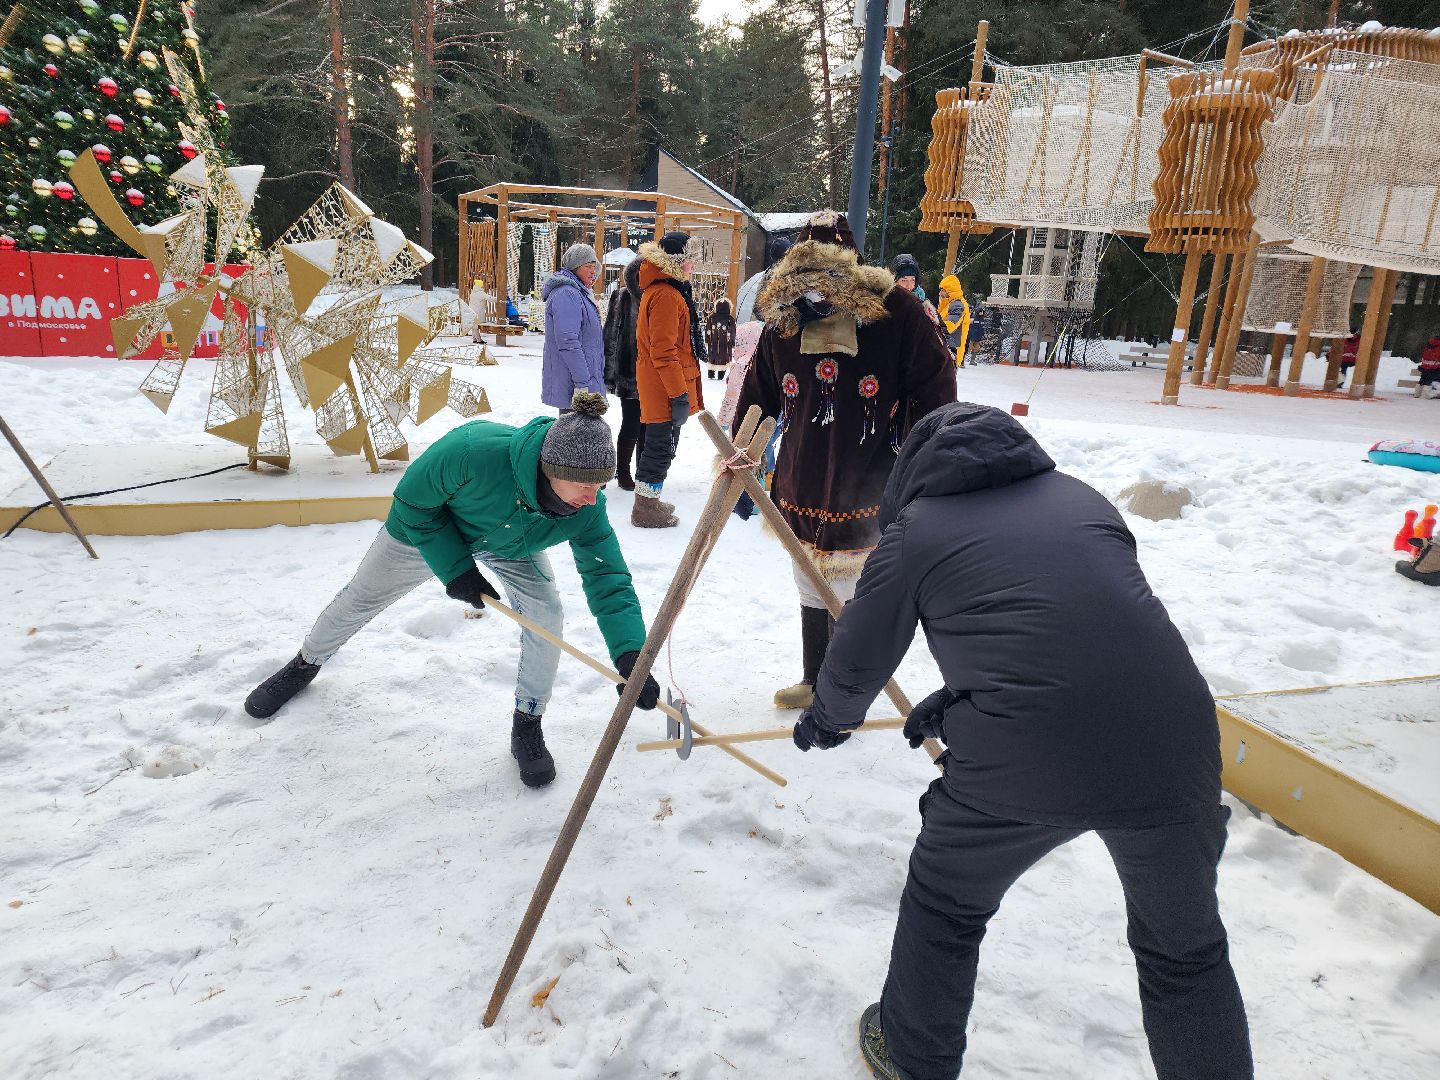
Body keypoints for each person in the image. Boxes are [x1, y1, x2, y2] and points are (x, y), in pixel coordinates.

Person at [792, 403, 1253, 1080]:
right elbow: (1076, 626)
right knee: (1185, 954)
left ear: (913, 470)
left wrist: (829, 718)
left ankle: (912, 1056)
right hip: (1175, 742)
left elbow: (861, 651)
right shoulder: (1083, 499)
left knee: (946, 904)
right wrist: (959, 700)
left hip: (1029, 759)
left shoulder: (918, 530)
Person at [242, 390, 662, 789]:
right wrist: (456, 569)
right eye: (586, 485)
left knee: (546, 615)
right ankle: (305, 663)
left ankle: (528, 721)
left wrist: (631, 657)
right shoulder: (472, 451)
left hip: (514, 543)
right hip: (426, 531)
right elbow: (412, 502)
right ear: (554, 470)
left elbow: (608, 579)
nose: (593, 497)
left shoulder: (587, 509)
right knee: (360, 598)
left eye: (601, 486)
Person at [732, 210, 956, 709]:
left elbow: (936, 385)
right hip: (803, 473)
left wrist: (924, 454)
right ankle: (815, 681)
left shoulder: (897, 313)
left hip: (871, 473)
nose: (816, 290)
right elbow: (759, 393)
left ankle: (845, 694)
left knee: (856, 588)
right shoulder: (785, 320)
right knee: (809, 576)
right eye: (804, 277)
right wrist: (742, 448)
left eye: (826, 276)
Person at [633, 231, 706, 529]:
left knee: (661, 446)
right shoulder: (665, 294)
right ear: (677, 262)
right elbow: (664, 352)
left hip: (663, 383)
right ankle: (645, 508)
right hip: (664, 386)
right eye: (690, 260)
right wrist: (678, 394)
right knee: (659, 448)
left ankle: (649, 501)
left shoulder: (668, 290)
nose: (693, 266)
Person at [541, 244, 606, 411]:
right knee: (575, 427)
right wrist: (583, 384)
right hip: (576, 385)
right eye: (588, 266)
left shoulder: (578, 293)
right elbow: (568, 341)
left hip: (583, 381)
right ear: (575, 267)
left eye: (594, 267)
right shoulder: (567, 293)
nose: (593, 271)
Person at [604, 257, 645, 491]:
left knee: (649, 425)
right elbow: (610, 333)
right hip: (629, 371)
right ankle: (623, 470)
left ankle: (643, 471)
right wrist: (609, 373)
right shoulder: (623, 296)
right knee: (631, 422)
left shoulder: (659, 295)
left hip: (654, 374)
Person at [889, 253, 940, 332]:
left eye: (912, 280)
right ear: (894, 281)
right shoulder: (885, 305)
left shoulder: (924, 306)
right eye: (904, 280)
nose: (909, 286)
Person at [937, 273, 971, 367]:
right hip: (947, 351)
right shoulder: (950, 303)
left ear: (950, 291)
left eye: (943, 290)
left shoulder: (958, 306)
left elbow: (948, 326)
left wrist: (930, 326)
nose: (940, 293)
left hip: (951, 352)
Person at [704, 296, 736, 380]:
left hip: (713, 342)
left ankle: (711, 373)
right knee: (724, 358)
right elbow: (732, 331)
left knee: (712, 356)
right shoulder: (730, 319)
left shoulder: (711, 318)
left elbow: (708, 329)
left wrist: (707, 339)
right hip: (725, 343)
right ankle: (721, 375)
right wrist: (732, 341)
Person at [1418, 334, 1440, 399]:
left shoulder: (1429, 344)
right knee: (1428, 380)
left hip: (1425, 364)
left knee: (1423, 379)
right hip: (1434, 366)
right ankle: (1424, 395)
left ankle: (1417, 393)